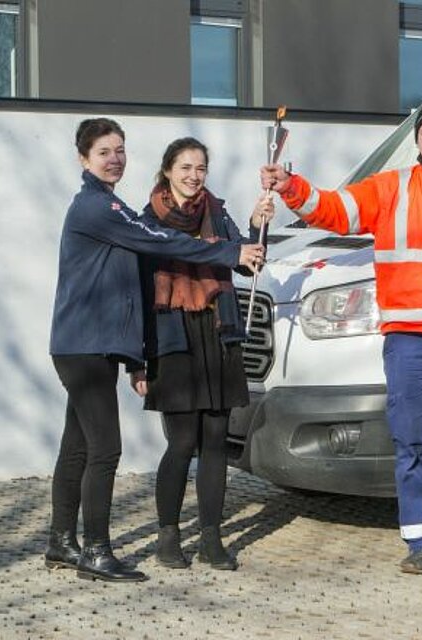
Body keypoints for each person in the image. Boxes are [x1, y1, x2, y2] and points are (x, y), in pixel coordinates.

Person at [261, 100, 422, 578]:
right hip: (408, 342)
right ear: (418, 141)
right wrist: (291, 187)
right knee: (412, 445)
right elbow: (335, 211)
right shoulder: (392, 188)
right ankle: (420, 541)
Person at [46, 118, 264, 583]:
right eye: (105, 152)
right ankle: (97, 552)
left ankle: (62, 541)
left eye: (121, 150)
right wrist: (229, 253)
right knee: (106, 450)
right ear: (84, 159)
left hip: (91, 344)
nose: (116, 159)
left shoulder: (107, 204)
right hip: (85, 345)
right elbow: (159, 239)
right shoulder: (99, 207)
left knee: (78, 446)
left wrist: (247, 236)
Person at [131, 137, 274, 571]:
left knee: (215, 443)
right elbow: (138, 293)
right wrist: (137, 362)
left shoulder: (216, 210)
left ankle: (211, 540)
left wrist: (254, 226)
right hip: (172, 340)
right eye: (185, 167)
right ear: (168, 170)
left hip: (217, 332)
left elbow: (246, 263)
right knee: (182, 442)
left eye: (200, 169)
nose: (194, 176)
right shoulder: (147, 221)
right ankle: (169, 535)